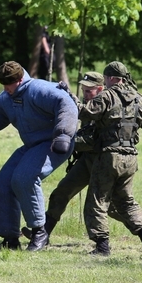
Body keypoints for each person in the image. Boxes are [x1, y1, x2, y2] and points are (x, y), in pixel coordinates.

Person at [0, 61, 78, 251]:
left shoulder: (39, 89)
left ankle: (40, 232)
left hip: (54, 143)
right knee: (3, 182)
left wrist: (63, 133)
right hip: (32, 146)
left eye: (10, 84)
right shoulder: (7, 97)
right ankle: (10, 239)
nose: (6, 89)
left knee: (24, 178)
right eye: (4, 85)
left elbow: (67, 103)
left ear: (20, 78)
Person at [78, 61, 142, 258]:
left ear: (110, 78)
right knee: (125, 201)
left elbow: (86, 113)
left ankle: (102, 247)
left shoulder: (107, 95)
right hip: (130, 158)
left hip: (109, 156)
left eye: (106, 78)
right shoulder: (138, 99)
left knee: (98, 200)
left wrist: (71, 99)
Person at [21, 71, 105, 243]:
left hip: (103, 162)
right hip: (86, 160)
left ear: (101, 89)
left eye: (89, 91)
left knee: (115, 206)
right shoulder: (90, 104)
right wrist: (67, 94)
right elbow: (80, 113)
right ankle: (43, 233)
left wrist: (67, 142)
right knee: (61, 192)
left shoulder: (105, 106)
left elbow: (93, 140)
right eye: (84, 90)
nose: (86, 95)